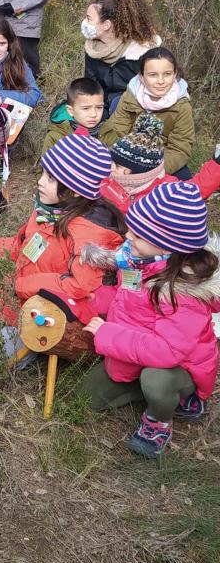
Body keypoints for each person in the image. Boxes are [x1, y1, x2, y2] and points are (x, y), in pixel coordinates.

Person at [79, 182, 220, 458]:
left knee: (156, 381)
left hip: (176, 366)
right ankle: (140, 384)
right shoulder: (141, 260)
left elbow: (166, 351)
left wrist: (107, 335)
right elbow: (126, 298)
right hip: (140, 344)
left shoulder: (184, 294)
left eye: (139, 234)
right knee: (88, 398)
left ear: (169, 245)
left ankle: (162, 417)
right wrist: (92, 302)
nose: (129, 235)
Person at [0, 134, 125, 359]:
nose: (40, 181)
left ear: (74, 190)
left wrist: (25, 284)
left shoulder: (89, 236)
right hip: (16, 293)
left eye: (50, 178)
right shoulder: (48, 210)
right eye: (43, 173)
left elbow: (79, 286)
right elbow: (25, 244)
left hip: (48, 314)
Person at [102, 114, 220, 213]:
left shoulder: (163, 190)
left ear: (126, 171)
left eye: (115, 164)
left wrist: (217, 165)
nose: (110, 166)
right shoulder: (105, 181)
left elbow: (194, 190)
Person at [106, 47, 194, 178]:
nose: (161, 81)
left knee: (185, 180)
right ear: (141, 77)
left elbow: (179, 149)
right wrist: (120, 161)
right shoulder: (130, 96)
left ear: (175, 74)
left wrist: (152, 171)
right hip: (127, 153)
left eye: (167, 74)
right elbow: (116, 130)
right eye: (153, 75)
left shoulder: (182, 106)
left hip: (158, 160)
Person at [82, 0, 162, 115]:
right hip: (101, 113)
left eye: (89, 19)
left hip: (135, 115)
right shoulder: (92, 49)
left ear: (106, 25)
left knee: (118, 103)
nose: (85, 23)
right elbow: (91, 88)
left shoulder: (143, 53)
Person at [42, 77, 114, 153]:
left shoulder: (109, 132)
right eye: (86, 108)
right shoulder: (55, 136)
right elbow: (48, 164)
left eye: (99, 107)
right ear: (70, 111)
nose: (94, 114)